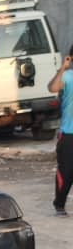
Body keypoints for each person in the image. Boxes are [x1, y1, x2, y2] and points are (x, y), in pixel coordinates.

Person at [47, 45, 73, 216]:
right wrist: (62, 68)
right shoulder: (67, 76)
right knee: (67, 170)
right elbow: (52, 88)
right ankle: (60, 204)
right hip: (69, 132)